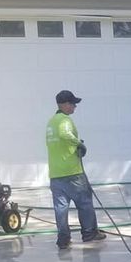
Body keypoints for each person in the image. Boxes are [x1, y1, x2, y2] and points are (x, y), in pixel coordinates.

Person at [46, 90, 105, 250]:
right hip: (72, 172)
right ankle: (89, 233)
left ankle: (63, 239)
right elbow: (65, 134)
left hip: (56, 174)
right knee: (84, 202)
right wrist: (79, 144)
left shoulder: (51, 122)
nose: (74, 107)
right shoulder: (64, 120)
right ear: (64, 104)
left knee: (61, 207)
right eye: (73, 104)